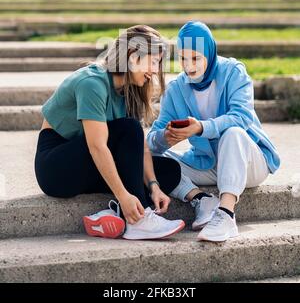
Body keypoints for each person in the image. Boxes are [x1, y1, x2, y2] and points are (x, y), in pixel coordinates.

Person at [35, 25, 185, 240]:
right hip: (56, 168)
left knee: (169, 171)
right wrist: (124, 195)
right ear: (133, 57)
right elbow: (97, 146)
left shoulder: (127, 90)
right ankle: (138, 220)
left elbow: (140, 148)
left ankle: (113, 213)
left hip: (87, 165)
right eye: (153, 62)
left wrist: (153, 186)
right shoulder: (92, 83)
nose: (154, 70)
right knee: (128, 128)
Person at [147, 21, 280, 242]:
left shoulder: (233, 72)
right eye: (182, 58)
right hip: (207, 165)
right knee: (146, 157)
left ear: (209, 52)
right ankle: (202, 200)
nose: (188, 66)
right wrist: (165, 137)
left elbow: (242, 117)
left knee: (233, 133)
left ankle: (226, 214)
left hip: (250, 164)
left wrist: (201, 127)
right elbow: (153, 137)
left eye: (196, 58)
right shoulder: (176, 88)